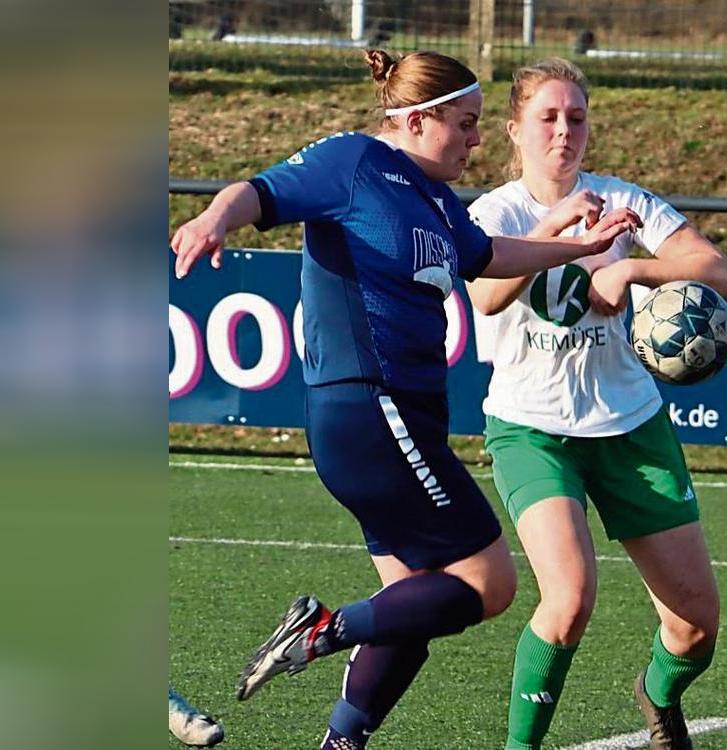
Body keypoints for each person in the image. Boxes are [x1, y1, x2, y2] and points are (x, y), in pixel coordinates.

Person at [170, 50, 641, 750]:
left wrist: (580, 247)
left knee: (413, 606)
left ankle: (342, 742)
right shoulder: (356, 163)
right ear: (416, 121)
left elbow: (488, 258)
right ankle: (324, 629)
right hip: (369, 406)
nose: (477, 140)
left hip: (397, 418)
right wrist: (215, 217)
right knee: (491, 585)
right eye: (466, 124)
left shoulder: (435, 200)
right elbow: (258, 193)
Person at [466, 58, 727, 750]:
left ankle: (656, 696)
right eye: (548, 117)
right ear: (514, 130)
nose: (564, 131)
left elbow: (724, 274)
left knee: (696, 629)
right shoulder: (495, 212)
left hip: (630, 425)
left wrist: (630, 264)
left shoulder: (624, 201)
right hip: (532, 429)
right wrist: (560, 232)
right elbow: (483, 294)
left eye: (577, 118)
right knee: (568, 601)